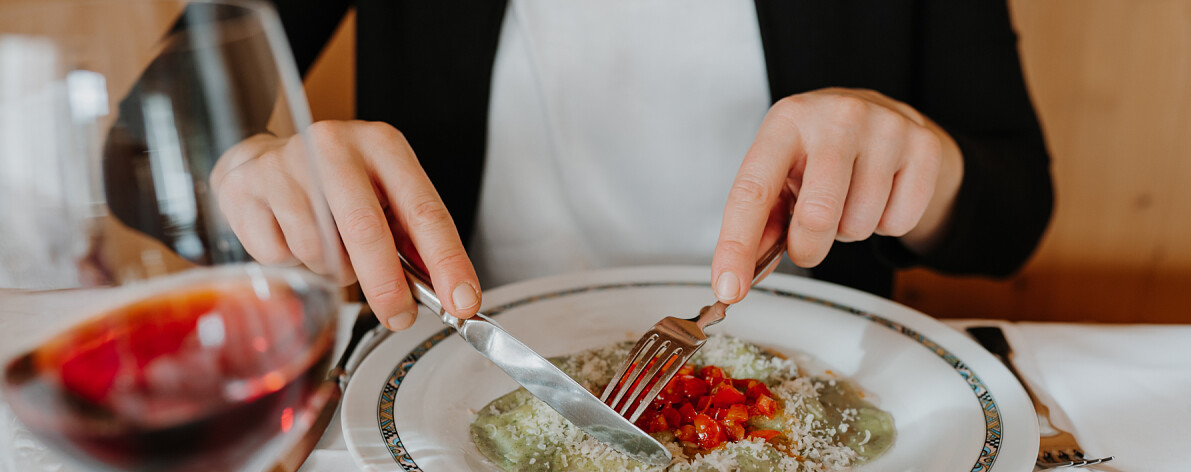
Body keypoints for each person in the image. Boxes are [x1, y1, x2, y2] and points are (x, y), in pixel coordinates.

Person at [124, 0, 1055, 332]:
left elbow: (1014, 211)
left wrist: (927, 171)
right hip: (458, 371)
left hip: (820, 377)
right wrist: (240, 175)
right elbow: (137, 146)